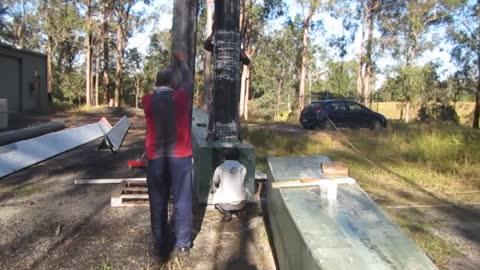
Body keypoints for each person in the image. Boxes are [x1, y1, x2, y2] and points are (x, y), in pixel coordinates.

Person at [142, 68, 193, 260]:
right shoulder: (180, 98)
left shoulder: (147, 100)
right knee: (183, 200)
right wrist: (182, 65)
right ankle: (182, 245)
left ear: (156, 83)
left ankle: (159, 243)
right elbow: (188, 82)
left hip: (156, 158)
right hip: (181, 157)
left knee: (158, 201)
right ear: (173, 84)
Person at [211, 148, 247, 221]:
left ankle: (226, 212)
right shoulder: (243, 168)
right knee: (244, 191)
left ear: (225, 157)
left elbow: (215, 181)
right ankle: (238, 211)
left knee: (215, 196)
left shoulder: (220, 168)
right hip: (241, 203)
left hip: (224, 204)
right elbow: (242, 182)